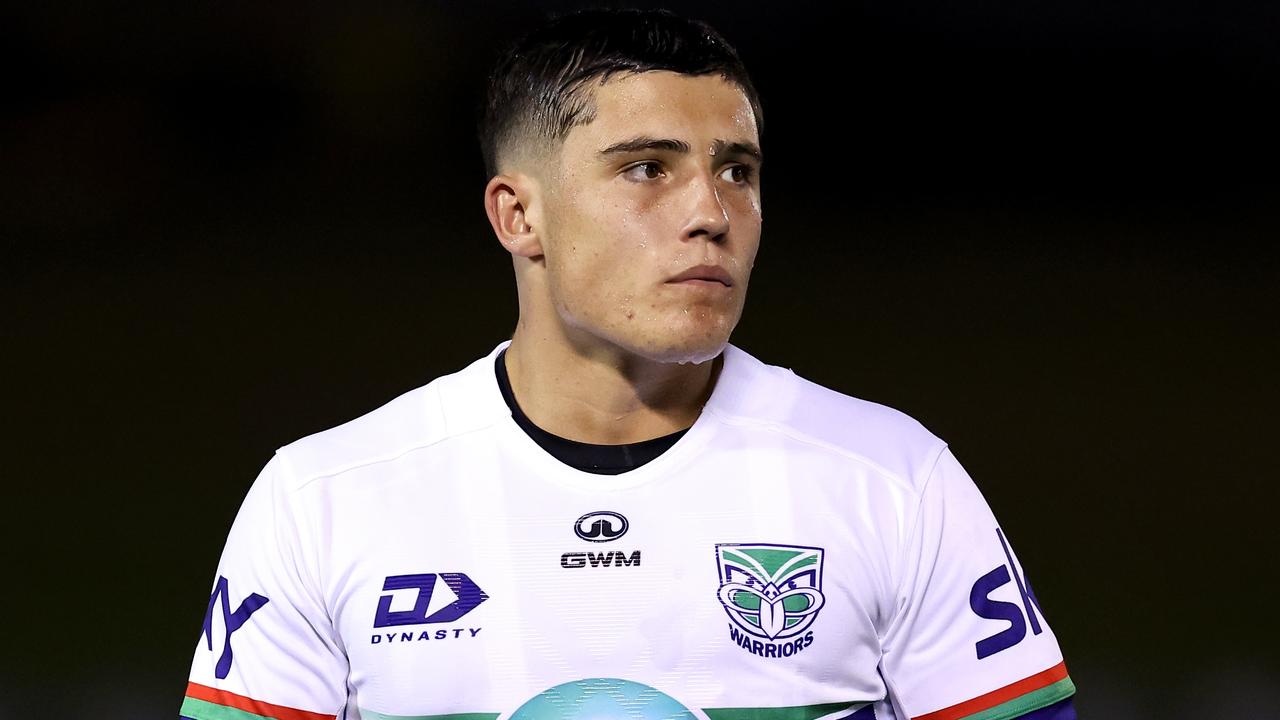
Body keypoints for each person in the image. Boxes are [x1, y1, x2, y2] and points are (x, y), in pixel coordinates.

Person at [181, 9, 1075, 720]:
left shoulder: (894, 479)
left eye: (737, 171)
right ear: (517, 217)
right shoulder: (325, 498)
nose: (711, 213)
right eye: (647, 168)